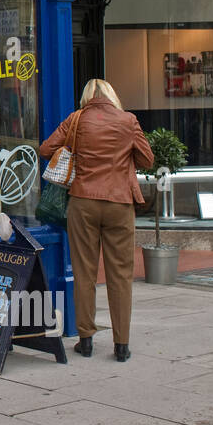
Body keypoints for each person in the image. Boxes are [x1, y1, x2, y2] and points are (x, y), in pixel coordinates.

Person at [40, 79, 152, 363]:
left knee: (84, 272)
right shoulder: (128, 121)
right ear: (111, 96)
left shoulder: (76, 120)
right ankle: (122, 345)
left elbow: (45, 149)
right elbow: (147, 159)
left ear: (87, 97)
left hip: (83, 201)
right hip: (119, 203)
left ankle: (86, 340)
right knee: (121, 275)